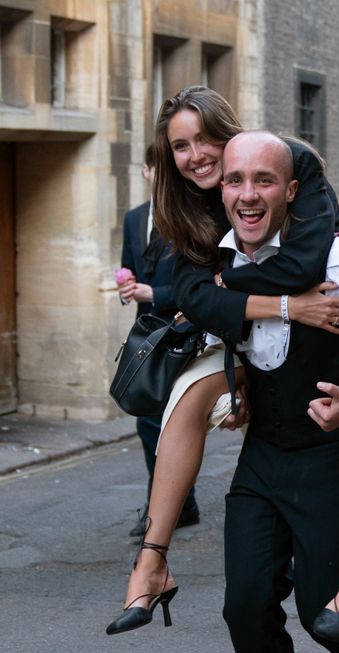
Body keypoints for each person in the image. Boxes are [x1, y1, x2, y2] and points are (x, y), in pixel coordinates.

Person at [105, 87, 339, 649]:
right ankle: (152, 559)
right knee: (245, 610)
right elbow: (195, 299)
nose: (197, 156)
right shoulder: (198, 224)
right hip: (264, 444)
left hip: (325, 441)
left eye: (206, 140)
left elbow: (318, 274)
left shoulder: (318, 219)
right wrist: (259, 322)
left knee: (327, 619)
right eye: (181, 145)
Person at [117, 144, 200, 536]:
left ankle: (161, 510)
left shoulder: (187, 218)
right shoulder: (134, 218)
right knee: (150, 419)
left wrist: (157, 294)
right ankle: (183, 501)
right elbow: (129, 267)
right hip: (146, 335)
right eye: (157, 169)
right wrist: (128, 286)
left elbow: (197, 285)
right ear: (148, 171)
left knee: (164, 420)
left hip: (183, 331)